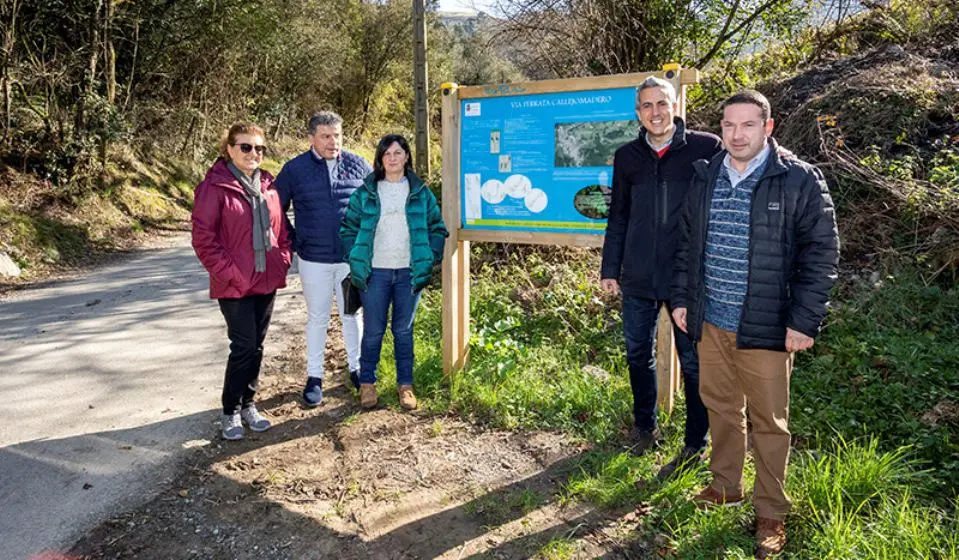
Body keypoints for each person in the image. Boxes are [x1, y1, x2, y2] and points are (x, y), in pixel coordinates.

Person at [671, 90, 839, 558]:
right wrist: (685, 299)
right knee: (720, 408)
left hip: (766, 325)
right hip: (712, 321)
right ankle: (726, 486)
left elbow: (821, 254)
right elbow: (688, 245)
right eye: (728, 125)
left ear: (768, 127)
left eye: (747, 125)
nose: (736, 134)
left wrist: (804, 320)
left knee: (770, 422)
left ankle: (771, 513)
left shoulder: (799, 180)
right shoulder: (705, 176)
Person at [600, 76, 723, 476]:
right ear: (638, 112)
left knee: (693, 363)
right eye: (646, 106)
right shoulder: (627, 157)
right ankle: (645, 427)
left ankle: (694, 444)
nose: (655, 112)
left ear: (675, 106)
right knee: (638, 354)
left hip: (686, 277)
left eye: (662, 103)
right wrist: (610, 269)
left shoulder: (706, 148)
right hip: (637, 274)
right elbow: (617, 216)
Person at [191, 123, 293, 440]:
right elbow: (203, 240)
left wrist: (283, 259)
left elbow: (283, 230)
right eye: (246, 147)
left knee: (257, 346)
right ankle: (230, 411)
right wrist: (231, 274)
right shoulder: (214, 187)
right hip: (235, 283)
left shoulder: (269, 185)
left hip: (266, 279)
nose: (253, 153)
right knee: (244, 346)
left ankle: (249, 403)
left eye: (259, 148)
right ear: (230, 149)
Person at [340, 134, 448, 411]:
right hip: (374, 273)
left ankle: (406, 385)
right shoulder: (366, 192)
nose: (392, 158)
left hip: (408, 274)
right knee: (374, 330)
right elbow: (348, 228)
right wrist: (355, 258)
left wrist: (430, 256)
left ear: (407, 157)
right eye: (386, 153)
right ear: (379, 158)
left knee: (403, 330)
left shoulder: (420, 192)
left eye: (397, 152)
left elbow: (437, 227)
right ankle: (367, 383)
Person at [275, 112, 372, 407]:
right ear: (311, 138)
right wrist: (294, 240)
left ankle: (358, 370)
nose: (334, 142)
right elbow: (275, 209)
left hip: (348, 260)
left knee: (352, 315)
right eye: (326, 136)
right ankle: (314, 377)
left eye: (338, 135)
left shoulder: (358, 164)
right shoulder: (294, 170)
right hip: (313, 259)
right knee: (317, 318)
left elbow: (375, 205)